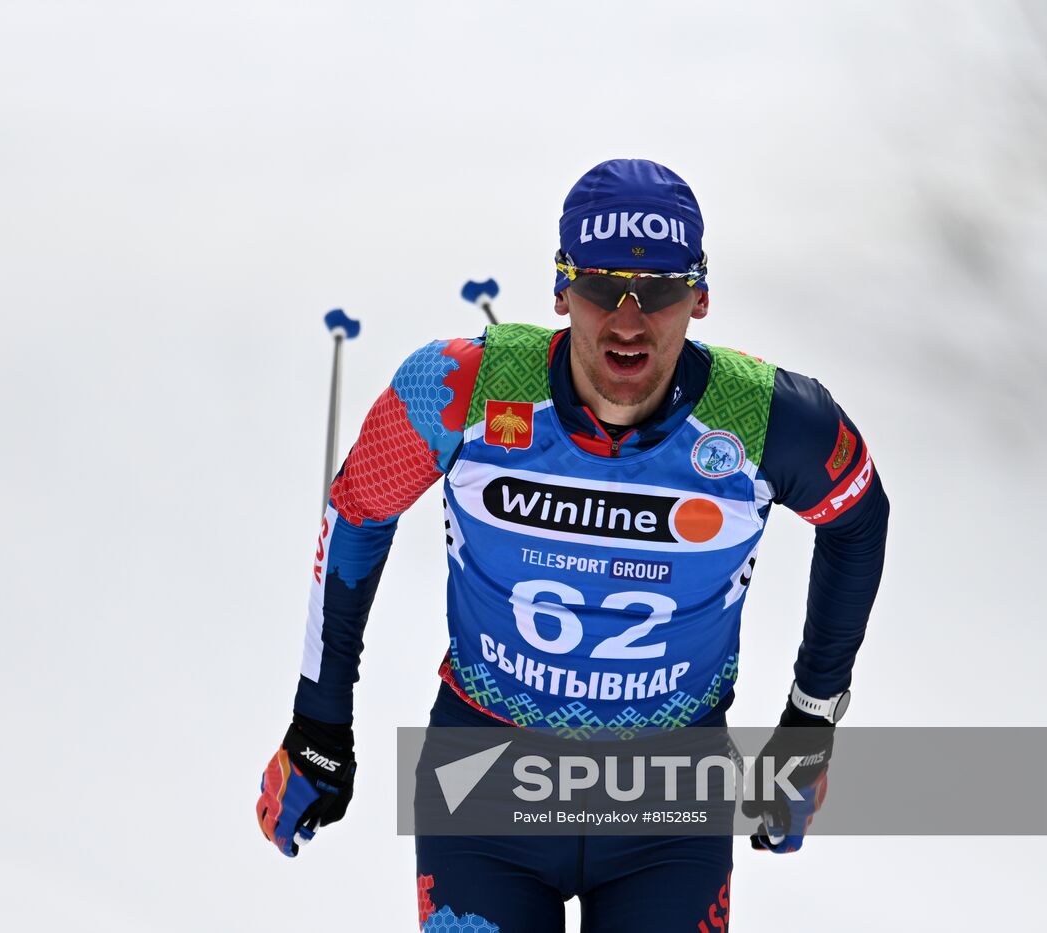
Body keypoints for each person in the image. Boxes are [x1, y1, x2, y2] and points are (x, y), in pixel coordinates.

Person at [256, 159, 890, 931]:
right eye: (601, 289)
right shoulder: (459, 387)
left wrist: (809, 724)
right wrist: (318, 723)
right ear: (561, 292)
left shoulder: (767, 418)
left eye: (658, 290)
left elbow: (857, 519)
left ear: (700, 296)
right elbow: (356, 511)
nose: (629, 320)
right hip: (485, 790)